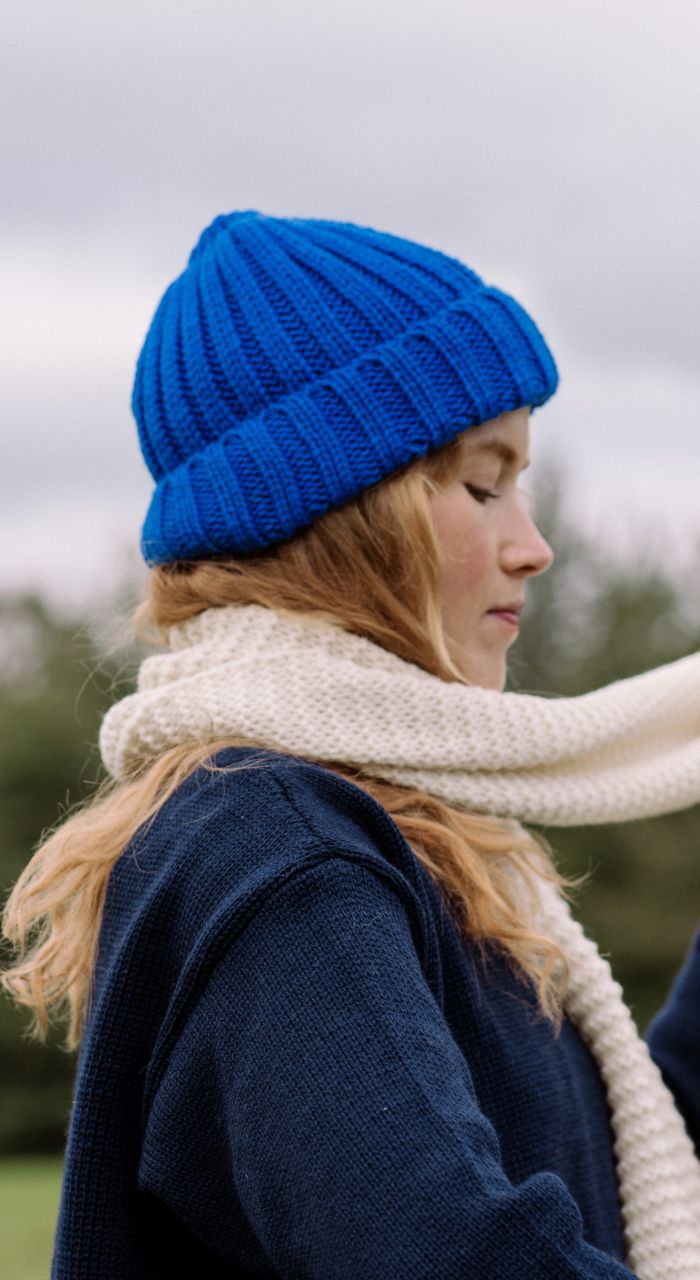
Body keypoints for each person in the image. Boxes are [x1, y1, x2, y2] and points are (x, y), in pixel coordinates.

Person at [3, 211, 700, 1280]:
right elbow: (460, 1257)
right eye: (482, 483)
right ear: (350, 512)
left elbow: (618, 1186)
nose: (534, 542)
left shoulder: (401, 818)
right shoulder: (274, 848)